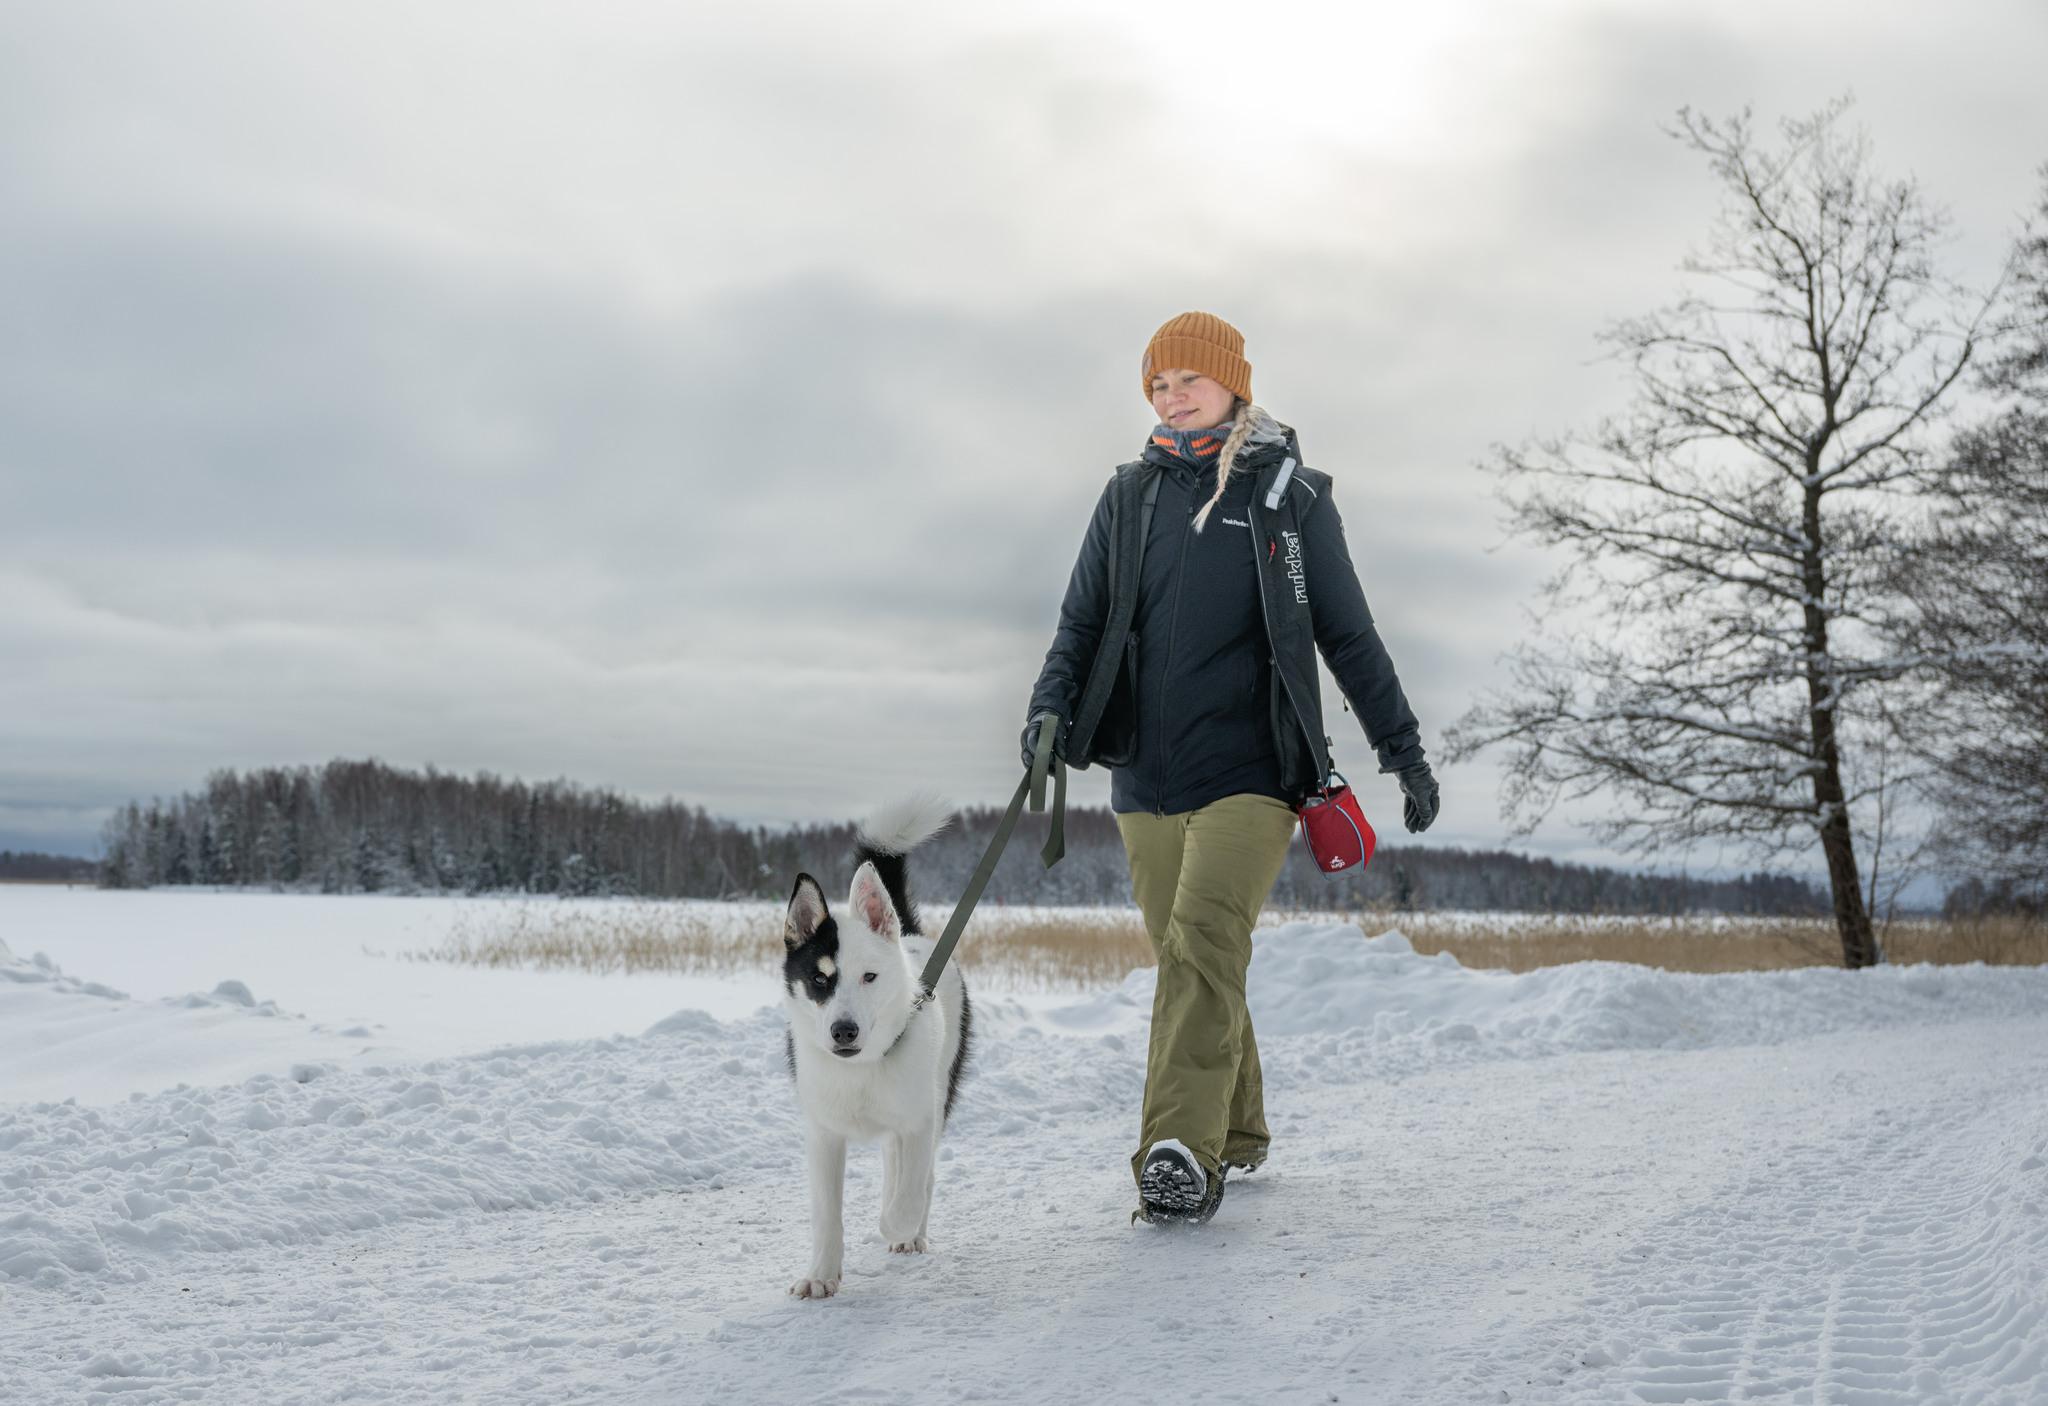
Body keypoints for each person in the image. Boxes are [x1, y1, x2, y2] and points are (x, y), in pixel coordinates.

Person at [1022, 310, 1439, 1225]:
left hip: (1252, 774)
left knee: (1203, 948)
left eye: (1188, 379)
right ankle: (1239, 1129)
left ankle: (1178, 1152)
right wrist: (1047, 709)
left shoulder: (1288, 497)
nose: (1173, 397)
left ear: (1232, 384)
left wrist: (1401, 751)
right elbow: (1080, 623)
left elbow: (1349, 636)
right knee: (1188, 958)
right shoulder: (1128, 496)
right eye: (1158, 385)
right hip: (1144, 780)